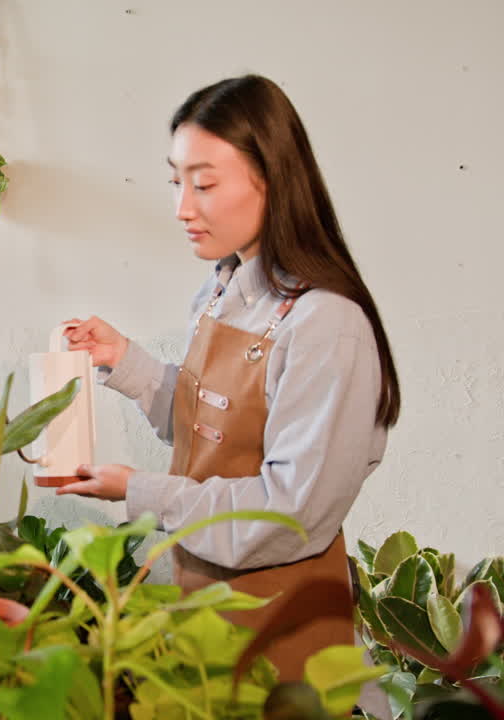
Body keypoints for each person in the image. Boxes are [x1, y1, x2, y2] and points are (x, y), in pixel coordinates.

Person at [59, 74, 400, 680]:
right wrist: (124, 359)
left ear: (272, 180)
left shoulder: (327, 324)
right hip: (211, 606)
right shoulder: (222, 291)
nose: (182, 208)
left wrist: (139, 491)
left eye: (205, 184)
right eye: (176, 181)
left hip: (285, 629)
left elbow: (288, 515)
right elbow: (211, 430)